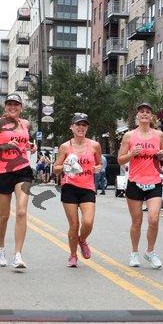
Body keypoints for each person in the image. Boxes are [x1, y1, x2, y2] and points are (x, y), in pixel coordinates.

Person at [0, 93, 37, 268]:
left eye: (16, 104)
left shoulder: (25, 124)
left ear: (21, 107)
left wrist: (30, 146)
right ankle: (0, 249)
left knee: (21, 211)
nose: (13, 107)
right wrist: (2, 146)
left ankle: (18, 255)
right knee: (4, 215)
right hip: (3, 171)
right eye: (9, 104)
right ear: (5, 107)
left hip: (23, 170)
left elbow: (23, 143)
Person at [118, 102, 163, 269]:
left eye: (147, 112)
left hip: (154, 181)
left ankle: (150, 252)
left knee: (154, 218)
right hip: (135, 182)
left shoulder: (159, 135)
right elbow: (120, 159)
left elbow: (162, 155)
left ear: (151, 116)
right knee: (137, 221)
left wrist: (162, 154)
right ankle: (134, 252)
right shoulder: (129, 136)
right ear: (137, 116)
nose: (144, 114)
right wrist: (131, 154)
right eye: (141, 112)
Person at [54, 113, 102, 267]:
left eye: (84, 125)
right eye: (78, 125)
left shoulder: (94, 145)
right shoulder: (65, 146)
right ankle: (73, 255)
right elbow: (55, 168)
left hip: (87, 188)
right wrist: (65, 166)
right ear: (72, 127)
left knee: (88, 222)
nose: (81, 127)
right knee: (74, 225)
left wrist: (98, 168)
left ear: (87, 128)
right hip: (70, 187)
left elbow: (99, 164)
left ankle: (82, 240)